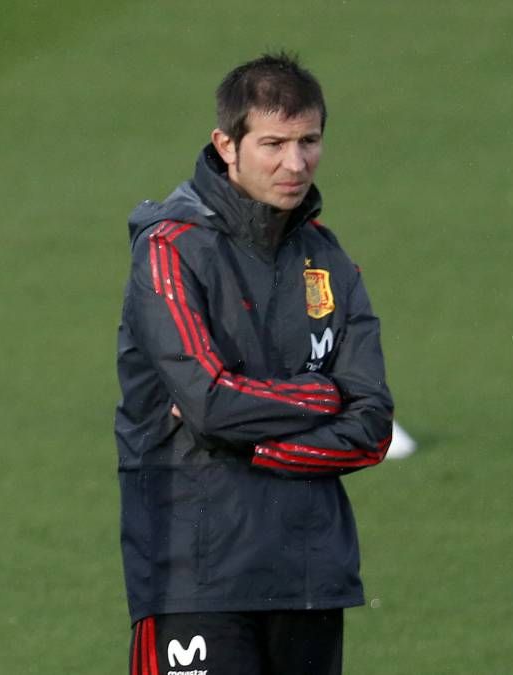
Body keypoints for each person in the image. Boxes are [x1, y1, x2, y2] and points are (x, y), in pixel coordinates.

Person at [115, 52, 393, 674]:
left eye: (309, 141)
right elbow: (211, 405)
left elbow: (373, 422)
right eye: (273, 143)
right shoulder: (170, 250)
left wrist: (261, 446)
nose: (295, 163)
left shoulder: (330, 262)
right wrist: (321, 398)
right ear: (227, 144)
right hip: (197, 572)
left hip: (311, 574)